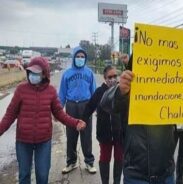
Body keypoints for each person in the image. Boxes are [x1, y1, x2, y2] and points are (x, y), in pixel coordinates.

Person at [100, 55, 183, 184]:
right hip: (136, 175)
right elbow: (105, 103)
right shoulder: (127, 92)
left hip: (166, 174)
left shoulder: (171, 92)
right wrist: (119, 90)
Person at [0, 56, 86, 184]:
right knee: (24, 175)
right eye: (31, 72)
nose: (32, 75)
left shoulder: (51, 91)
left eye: (36, 72)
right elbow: (10, 114)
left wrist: (75, 122)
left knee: (42, 175)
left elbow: (59, 114)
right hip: (23, 141)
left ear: (44, 74)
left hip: (43, 141)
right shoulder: (20, 90)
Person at [82, 65, 124, 184]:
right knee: (105, 158)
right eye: (110, 77)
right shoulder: (99, 92)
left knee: (119, 158)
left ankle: (116, 181)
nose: (113, 79)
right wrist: (83, 120)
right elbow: (89, 107)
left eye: (115, 76)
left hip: (119, 133)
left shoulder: (122, 91)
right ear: (105, 78)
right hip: (104, 133)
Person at [59, 46, 97, 174]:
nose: (80, 59)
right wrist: (59, 109)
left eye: (82, 57)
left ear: (85, 59)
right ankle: (71, 162)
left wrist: (95, 107)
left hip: (86, 105)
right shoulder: (67, 74)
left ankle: (89, 162)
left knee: (86, 135)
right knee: (71, 135)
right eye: (78, 56)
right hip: (71, 105)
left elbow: (94, 92)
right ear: (73, 57)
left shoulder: (89, 73)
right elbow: (62, 93)